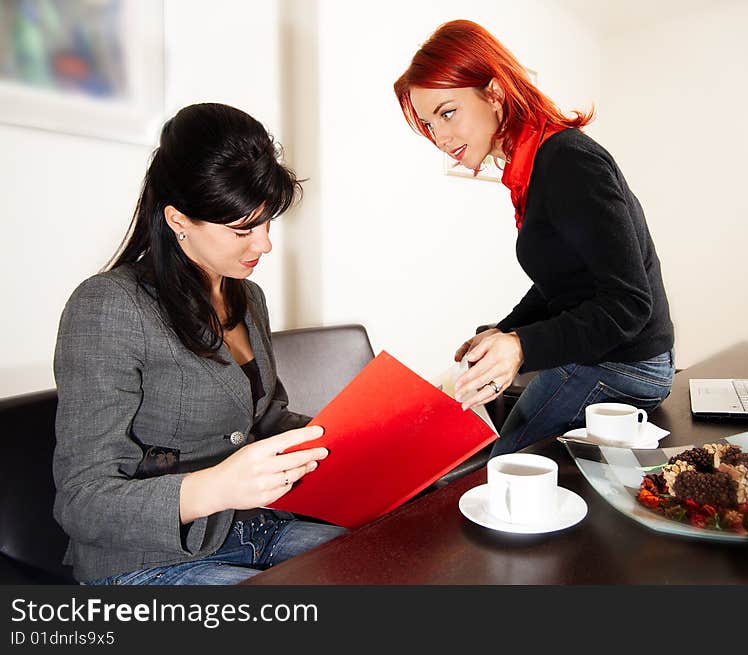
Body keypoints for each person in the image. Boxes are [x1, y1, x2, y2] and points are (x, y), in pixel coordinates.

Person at [52, 102, 345, 585]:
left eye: (268, 222)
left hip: (257, 529)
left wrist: (362, 436)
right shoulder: (108, 305)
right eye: (243, 229)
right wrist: (215, 487)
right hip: (147, 561)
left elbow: (267, 418)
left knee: (400, 563)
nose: (265, 244)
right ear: (177, 219)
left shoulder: (248, 297)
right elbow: (83, 501)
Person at [394, 20, 675, 456]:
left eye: (448, 112)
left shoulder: (569, 162)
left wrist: (521, 347)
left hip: (625, 365)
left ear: (494, 93)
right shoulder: (537, 166)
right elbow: (562, 285)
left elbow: (629, 303)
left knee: (501, 467)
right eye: (430, 125)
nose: (441, 137)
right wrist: (503, 332)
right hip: (613, 359)